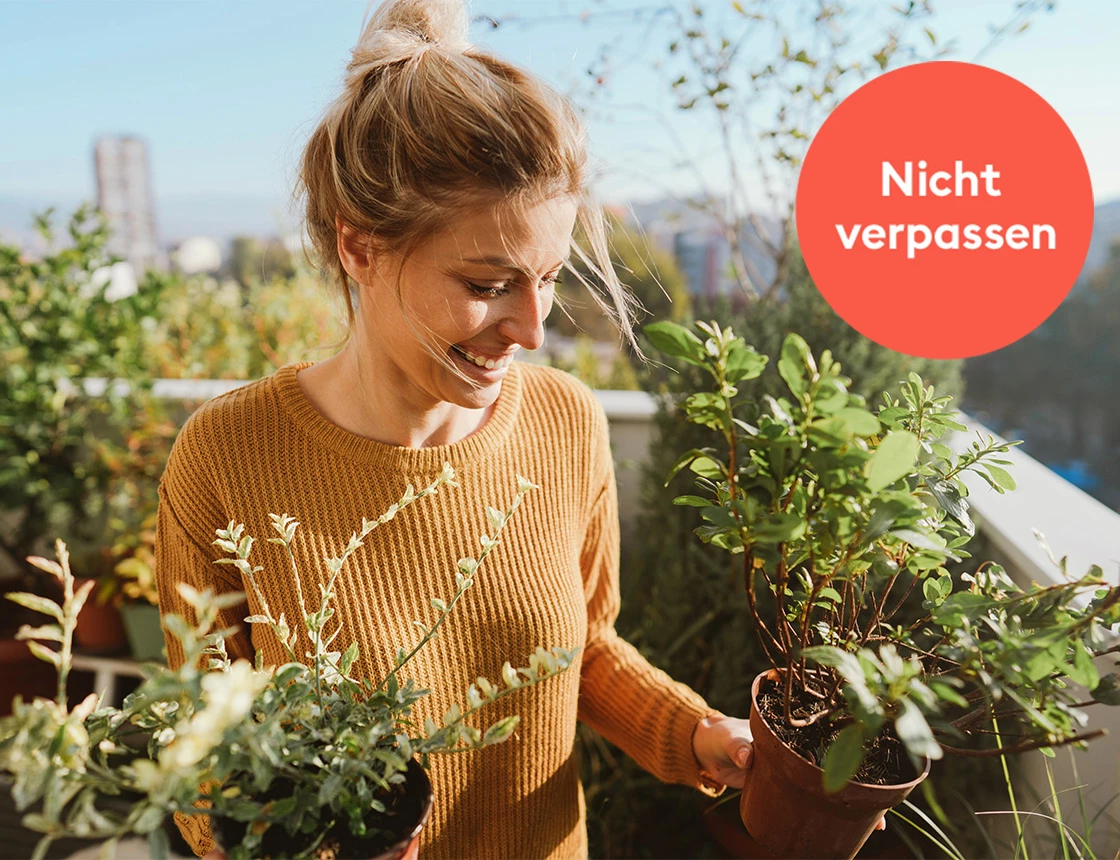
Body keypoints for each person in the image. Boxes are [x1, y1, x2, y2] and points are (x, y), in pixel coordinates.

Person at [156, 1, 756, 856]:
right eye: (486, 283)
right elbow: (200, 756)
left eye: (546, 278)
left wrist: (701, 734)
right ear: (359, 248)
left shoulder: (565, 423)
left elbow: (581, 651)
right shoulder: (226, 459)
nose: (531, 329)